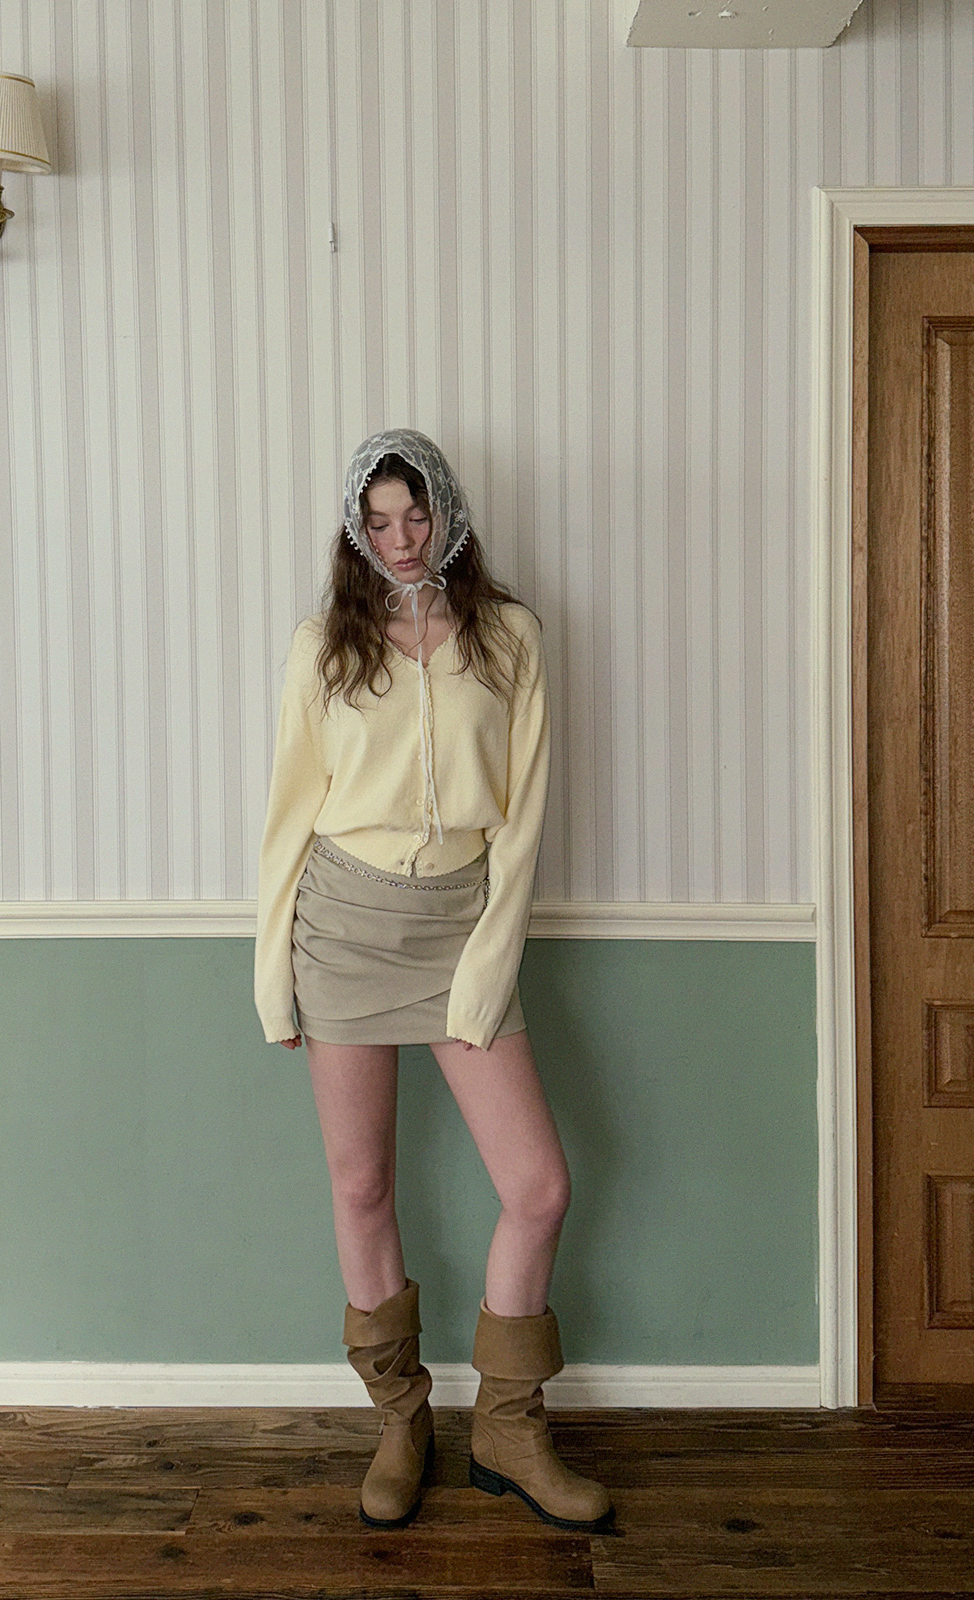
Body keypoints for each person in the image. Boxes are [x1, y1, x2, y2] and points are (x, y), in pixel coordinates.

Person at [254, 428, 612, 1534]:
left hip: (463, 926)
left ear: (447, 512)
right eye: (379, 521)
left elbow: (524, 818)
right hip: (343, 926)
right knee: (362, 1187)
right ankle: (400, 1422)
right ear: (354, 531)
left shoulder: (511, 638)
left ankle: (508, 1428)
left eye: (416, 515)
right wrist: (273, 976)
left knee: (538, 1186)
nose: (401, 539)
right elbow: (288, 817)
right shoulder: (323, 646)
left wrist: (490, 961)